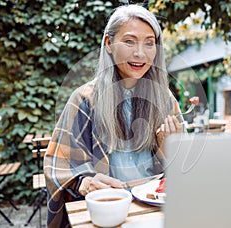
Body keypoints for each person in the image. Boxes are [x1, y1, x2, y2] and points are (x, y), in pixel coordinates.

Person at [44, 4, 184, 227]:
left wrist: (170, 146)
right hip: (108, 208)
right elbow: (57, 165)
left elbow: (181, 170)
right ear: (108, 43)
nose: (140, 53)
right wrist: (85, 181)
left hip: (153, 209)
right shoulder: (84, 99)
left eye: (149, 43)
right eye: (129, 41)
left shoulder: (165, 99)